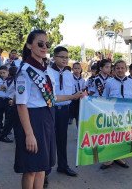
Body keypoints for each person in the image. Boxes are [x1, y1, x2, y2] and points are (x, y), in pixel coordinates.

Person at [14, 30, 82, 189]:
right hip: (32, 120)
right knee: (31, 169)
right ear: (29, 45)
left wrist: (74, 96)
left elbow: (52, 97)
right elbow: (21, 104)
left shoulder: (45, 70)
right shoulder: (25, 71)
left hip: (47, 117)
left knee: (42, 167)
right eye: (40, 43)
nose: (44, 47)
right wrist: (29, 134)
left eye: (47, 44)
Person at [100, 60, 132, 169]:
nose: (120, 70)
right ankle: (109, 159)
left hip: (127, 115)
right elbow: (104, 98)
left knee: (123, 137)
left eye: (122, 68)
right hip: (113, 114)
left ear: (126, 69)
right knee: (112, 136)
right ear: (114, 69)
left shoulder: (131, 83)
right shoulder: (109, 82)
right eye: (118, 68)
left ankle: (120, 157)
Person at [50, 46, 78, 177]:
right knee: (49, 140)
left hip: (64, 110)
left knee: (62, 139)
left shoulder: (68, 74)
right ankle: (45, 171)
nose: (65, 60)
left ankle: (63, 165)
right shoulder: (47, 72)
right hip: (51, 110)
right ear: (54, 57)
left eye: (67, 57)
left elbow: (71, 92)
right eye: (62, 57)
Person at [0, 66, 18, 143]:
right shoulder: (15, 80)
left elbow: (4, 88)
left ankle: (6, 134)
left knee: (10, 119)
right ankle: (3, 136)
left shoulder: (8, 80)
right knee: (11, 120)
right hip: (12, 101)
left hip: (9, 100)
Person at [69, 62, 86, 126]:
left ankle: (78, 126)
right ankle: (70, 117)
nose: (77, 70)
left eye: (78, 68)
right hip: (72, 98)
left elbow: (84, 89)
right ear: (72, 69)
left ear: (81, 69)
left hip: (80, 99)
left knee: (79, 116)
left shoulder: (82, 80)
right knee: (71, 110)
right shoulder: (70, 78)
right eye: (75, 68)